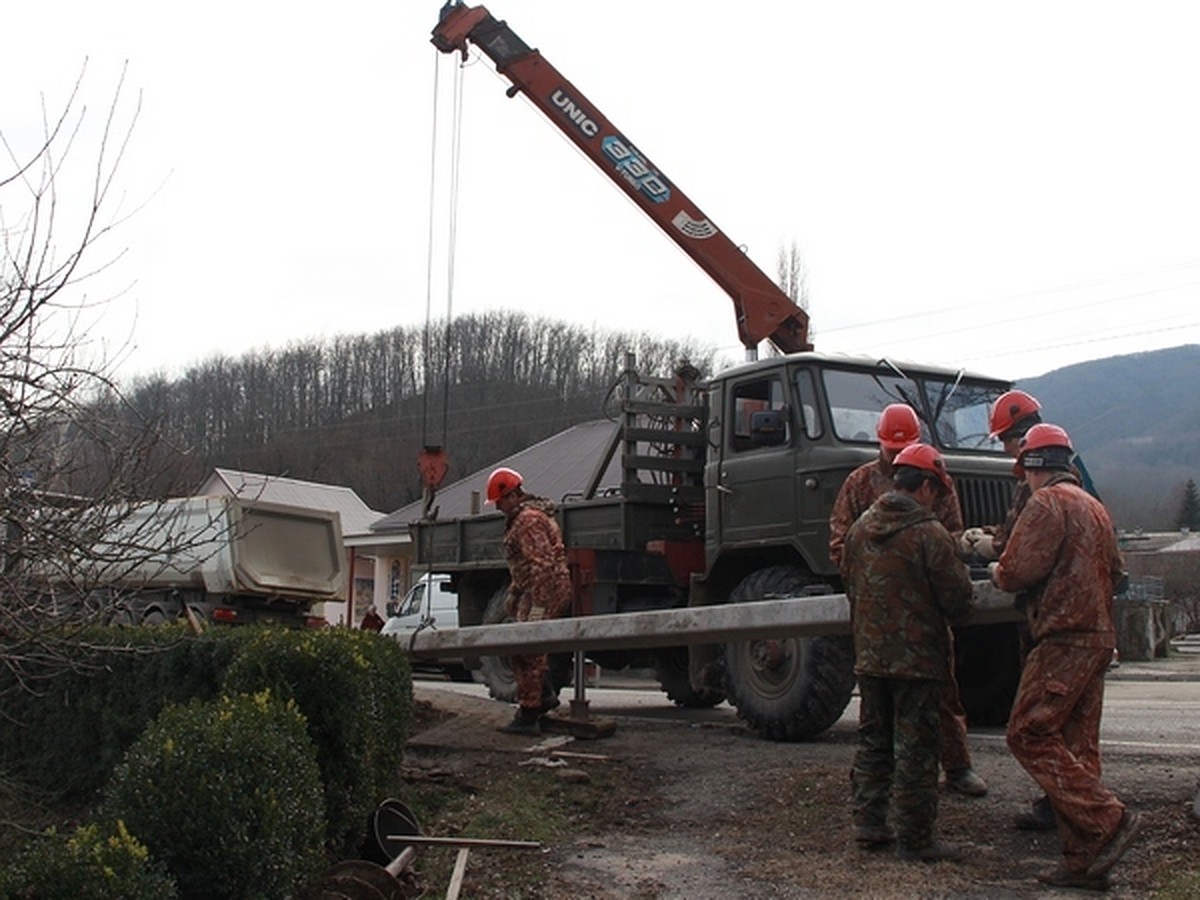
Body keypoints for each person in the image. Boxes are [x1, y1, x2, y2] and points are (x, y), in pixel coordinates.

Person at [989, 424, 1140, 891]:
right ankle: (1083, 862)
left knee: (1028, 733)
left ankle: (1107, 817)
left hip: (1062, 638)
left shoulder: (1047, 503)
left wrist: (994, 567)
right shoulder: (1095, 508)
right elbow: (1116, 573)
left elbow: (1017, 571)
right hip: (1097, 638)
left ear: (1033, 466)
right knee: (1077, 748)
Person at [829, 403, 988, 798]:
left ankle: (956, 765)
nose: (893, 452)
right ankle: (898, 798)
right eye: (889, 447)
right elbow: (840, 544)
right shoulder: (859, 483)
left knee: (943, 692)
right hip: (879, 615)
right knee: (878, 713)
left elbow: (950, 538)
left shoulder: (935, 479)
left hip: (923, 613)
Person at [842, 442, 974, 862]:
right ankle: (917, 840)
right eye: (937, 491)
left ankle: (869, 824)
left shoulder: (859, 529)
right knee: (917, 749)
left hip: (870, 656)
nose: (937, 500)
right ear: (926, 488)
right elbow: (958, 601)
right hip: (918, 661)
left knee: (873, 742)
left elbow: (849, 583)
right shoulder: (930, 535)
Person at [486, 466, 573, 735]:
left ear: (512, 495)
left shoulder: (527, 521)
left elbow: (542, 566)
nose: (498, 507)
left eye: (500, 501)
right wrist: (515, 593)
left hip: (544, 591)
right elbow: (528, 567)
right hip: (541, 590)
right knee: (525, 647)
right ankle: (541, 697)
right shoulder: (529, 517)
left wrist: (537, 605)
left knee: (528, 650)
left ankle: (530, 711)